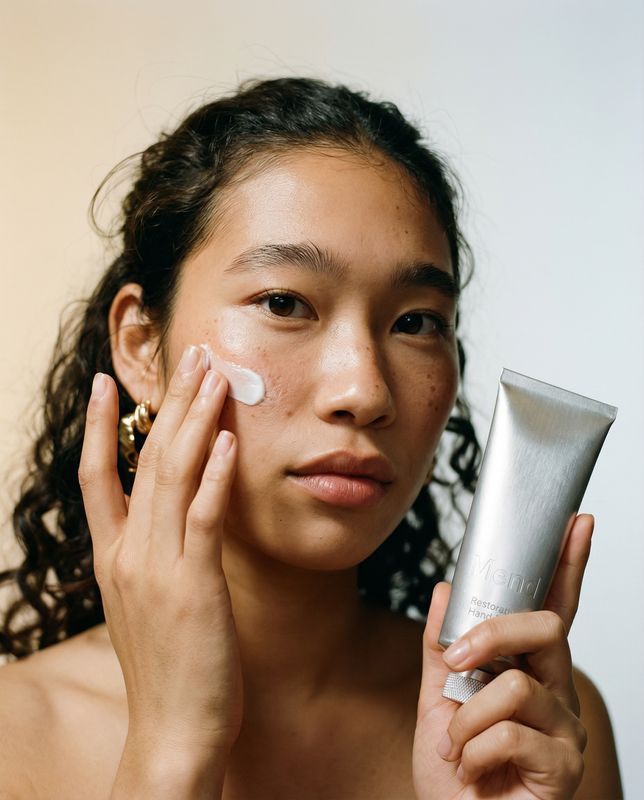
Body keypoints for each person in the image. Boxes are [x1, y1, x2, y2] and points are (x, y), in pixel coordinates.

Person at [0, 77, 622, 799]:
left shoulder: (530, 733)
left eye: (416, 322)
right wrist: (171, 750)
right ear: (142, 346)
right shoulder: (16, 738)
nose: (364, 391)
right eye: (284, 303)